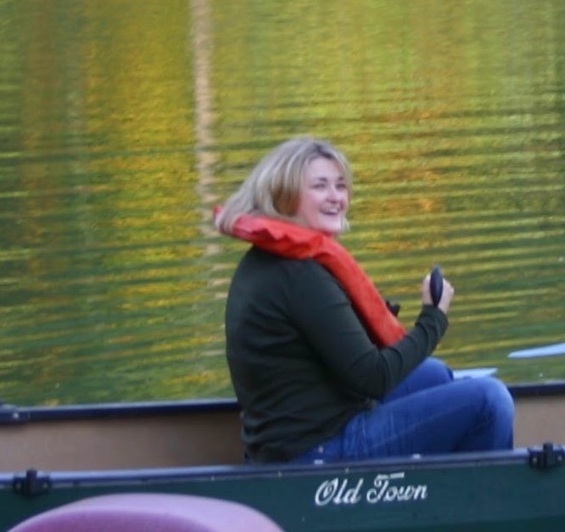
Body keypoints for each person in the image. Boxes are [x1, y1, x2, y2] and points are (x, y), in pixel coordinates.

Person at [218, 136, 514, 464]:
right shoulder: (299, 276)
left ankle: (421, 491)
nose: (336, 198)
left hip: (297, 432)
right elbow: (374, 377)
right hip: (314, 450)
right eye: (320, 186)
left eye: (341, 186)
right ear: (285, 196)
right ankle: (476, 504)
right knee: (490, 400)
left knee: (434, 376)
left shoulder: (268, 261)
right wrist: (433, 319)